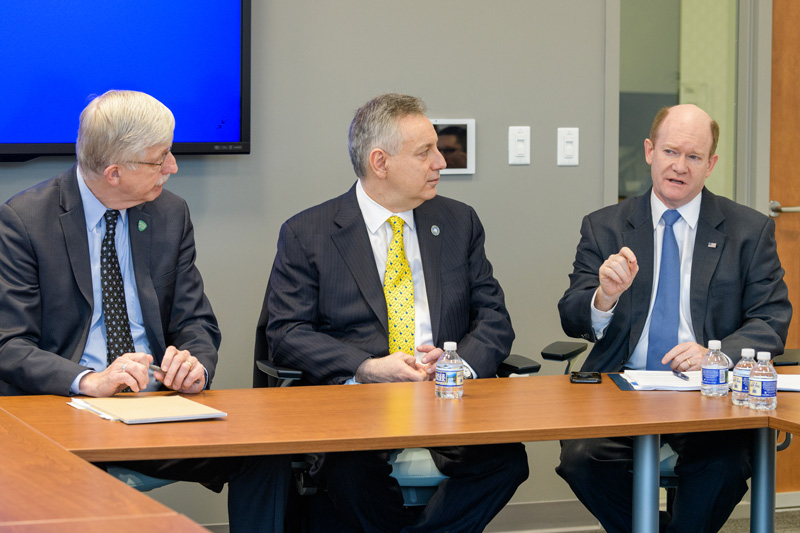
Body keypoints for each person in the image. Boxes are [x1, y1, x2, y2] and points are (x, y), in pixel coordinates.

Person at [0, 90, 290, 532]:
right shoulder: (24, 220)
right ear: (114, 172)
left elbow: (195, 320)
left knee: (267, 455)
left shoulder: (169, 214)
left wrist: (195, 364)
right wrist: (89, 381)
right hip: (67, 411)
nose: (173, 167)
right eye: (160, 159)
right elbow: (9, 344)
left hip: (157, 409)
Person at [257, 93, 528, 532]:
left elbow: (495, 317)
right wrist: (365, 367)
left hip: (446, 400)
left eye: (438, 149)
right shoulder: (309, 233)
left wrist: (460, 366)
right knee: (348, 472)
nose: (441, 162)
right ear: (379, 162)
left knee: (507, 460)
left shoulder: (459, 222)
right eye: (426, 152)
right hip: (357, 406)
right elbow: (285, 333)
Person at [556, 104, 792, 532]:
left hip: (711, 395)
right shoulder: (605, 227)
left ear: (711, 164)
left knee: (726, 460)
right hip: (620, 388)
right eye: (670, 152)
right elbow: (572, 317)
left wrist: (714, 356)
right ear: (649, 151)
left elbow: (770, 319)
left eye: (693, 156)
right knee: (580, 457)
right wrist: (603, 297)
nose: (679, 167)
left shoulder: (748, 231)